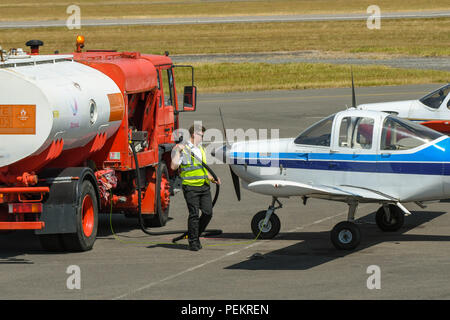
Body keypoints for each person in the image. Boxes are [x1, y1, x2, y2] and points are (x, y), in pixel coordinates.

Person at [171, 124, 221, 251]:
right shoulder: (183, 148)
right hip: (191, 187)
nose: (203, 138)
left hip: (204, 186)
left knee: (208, 213)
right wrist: (178, 151)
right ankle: (193, 241)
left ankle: (195, 235)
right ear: (194, 134)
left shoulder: (201, 149)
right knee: (194, 214)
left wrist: (212, 178)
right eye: (201, 135)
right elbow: (173, 167)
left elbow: (203, 169)